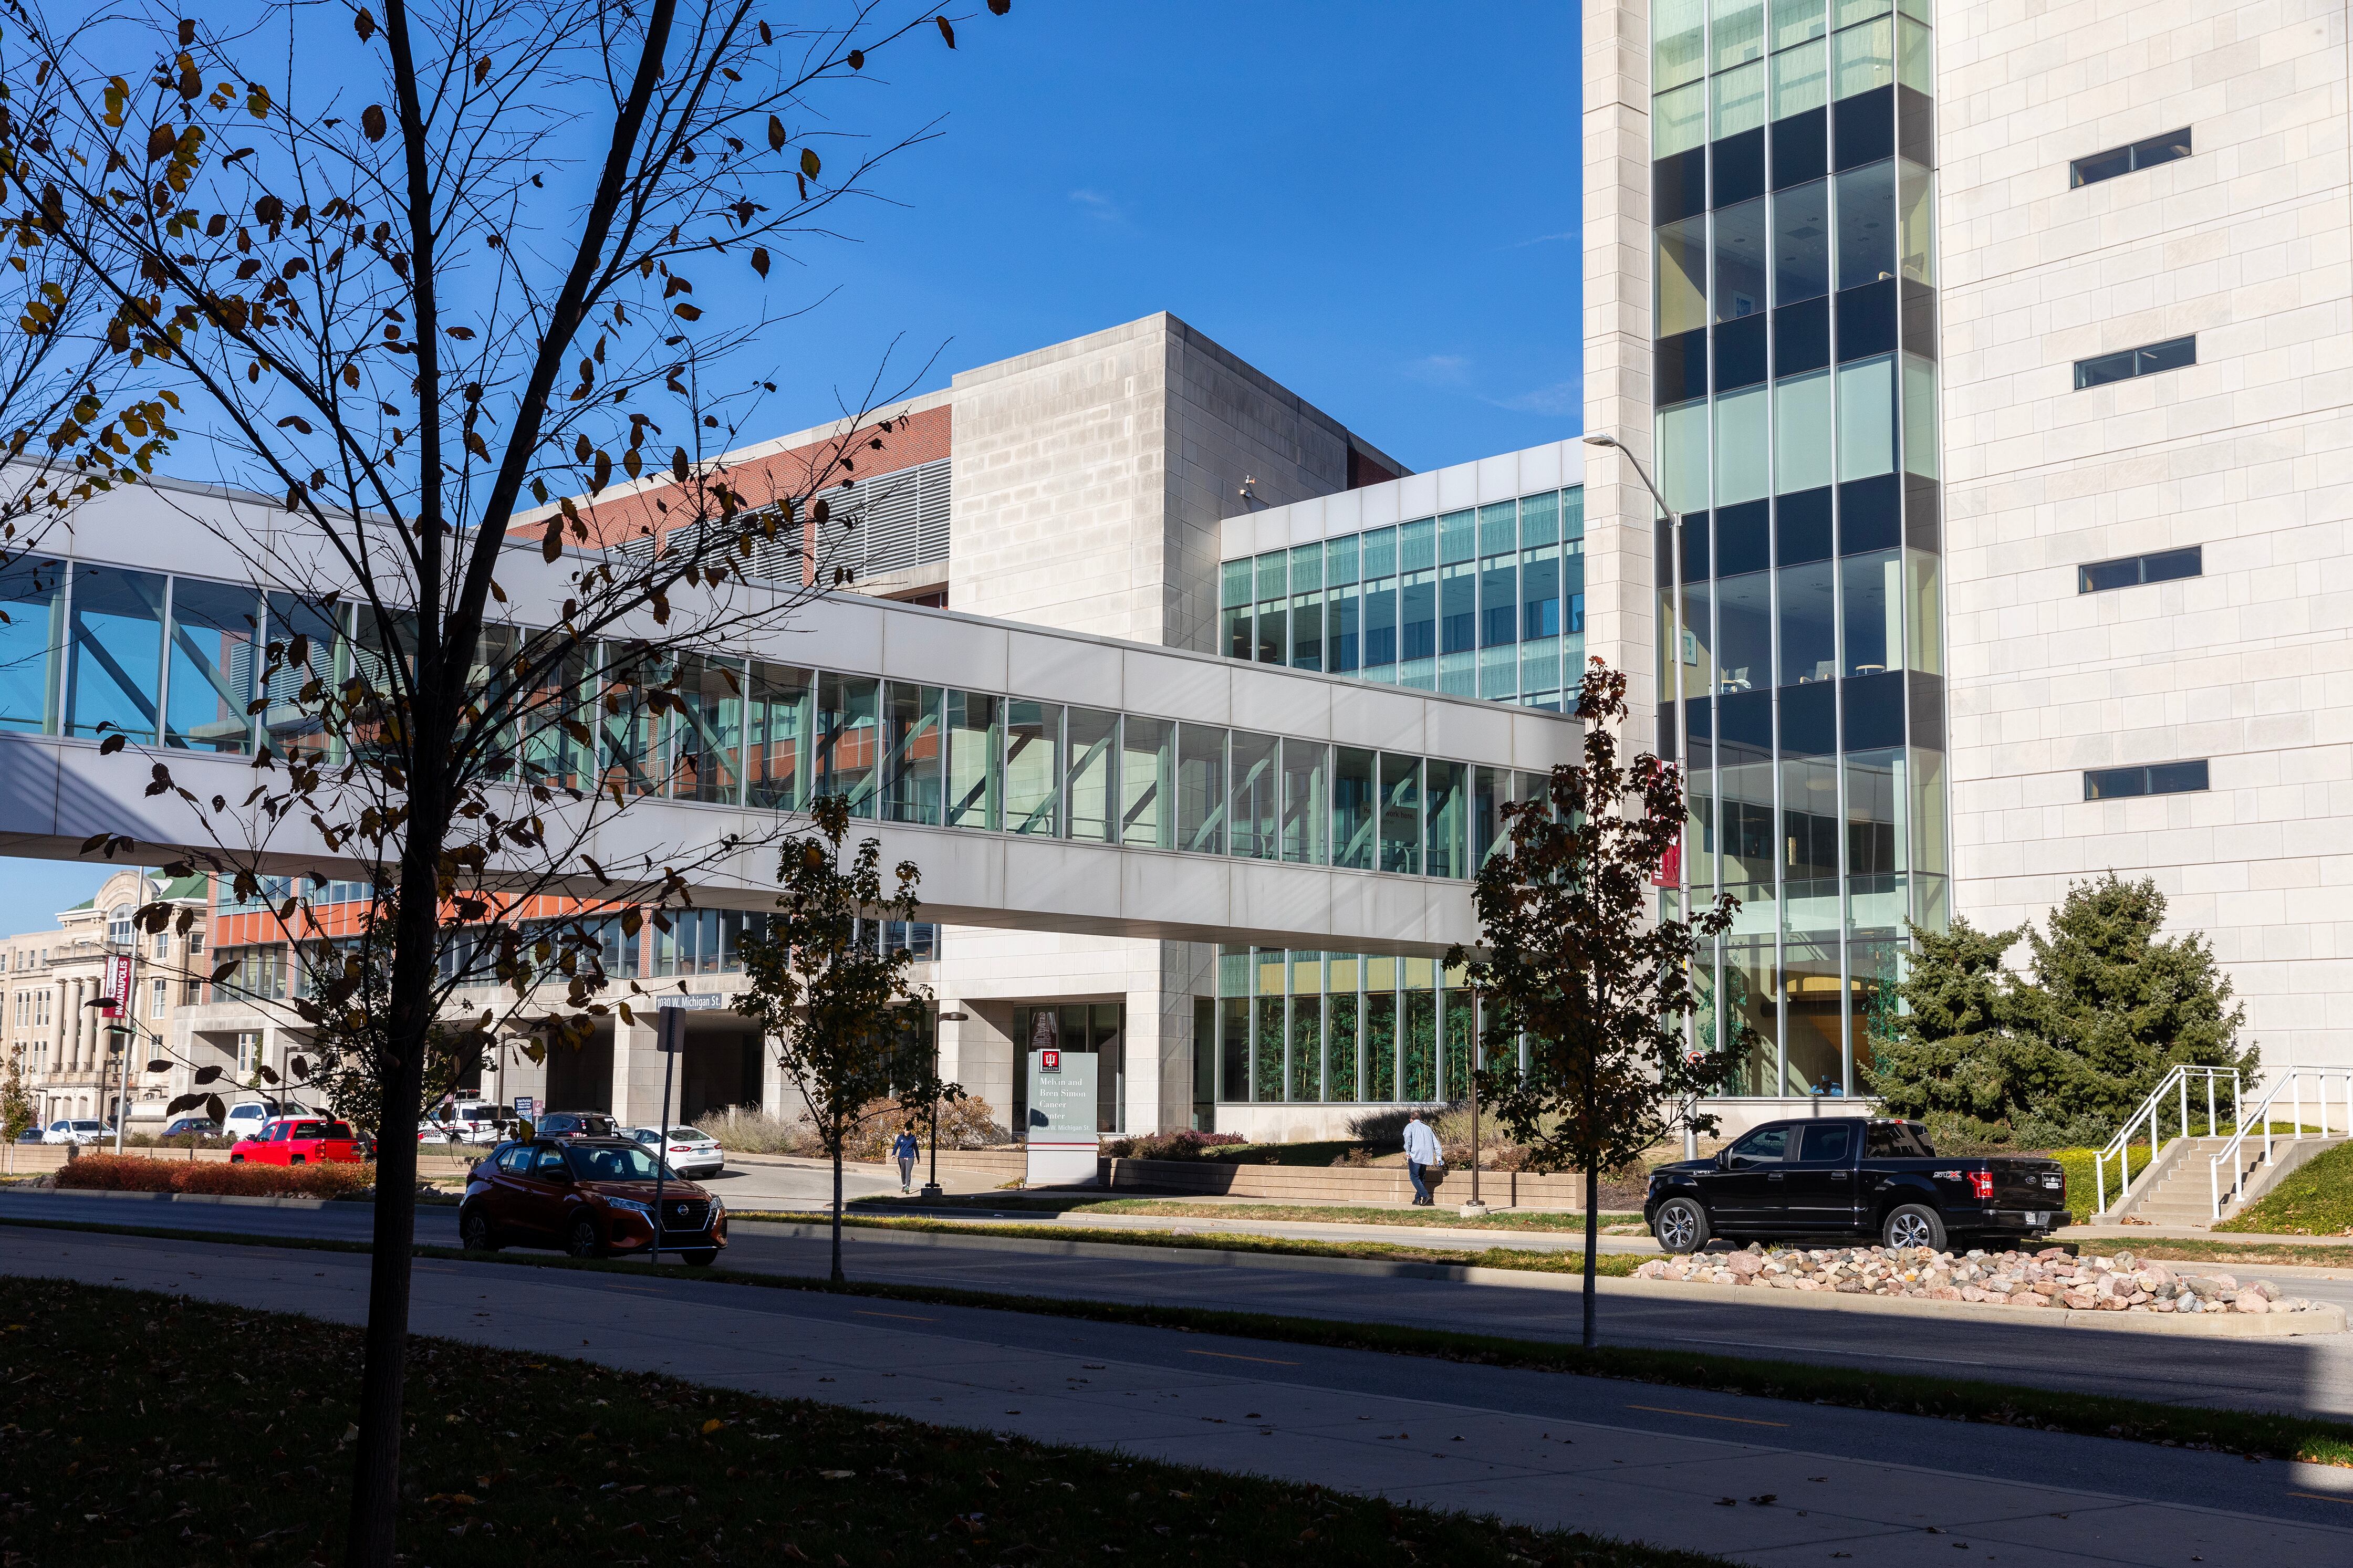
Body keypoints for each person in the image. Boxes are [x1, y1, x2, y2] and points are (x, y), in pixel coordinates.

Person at [1402, 1110, 1442, 1206]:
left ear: (1411, 1119)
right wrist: (1439, 1157)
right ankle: (1417, 1199)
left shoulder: (1410, 1126)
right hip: (1426, 1156)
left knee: (1414, 1177)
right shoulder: (1428, 1128)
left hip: (1415, 1154)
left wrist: (1407, 1151)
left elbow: (1407, 1136)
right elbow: (1437, 1144)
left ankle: (1426, 1196)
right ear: (1420, 1119)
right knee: (1421, 1177)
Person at [891, 1125, 920, 1194]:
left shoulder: (913, 1138)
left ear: (910, 1131)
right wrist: (893, 1154)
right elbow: (896, 1146)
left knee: (908, 1172)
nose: (907, 1132)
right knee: (903, 1172)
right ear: (904, 1130)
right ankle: (904, 1185)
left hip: (910, 1157)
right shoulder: (900, 1138)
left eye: (909, 1131)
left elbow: (916, 1148)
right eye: (906, 1130)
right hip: (901, 1157)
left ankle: (908, 1187)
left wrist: (918, 1158)